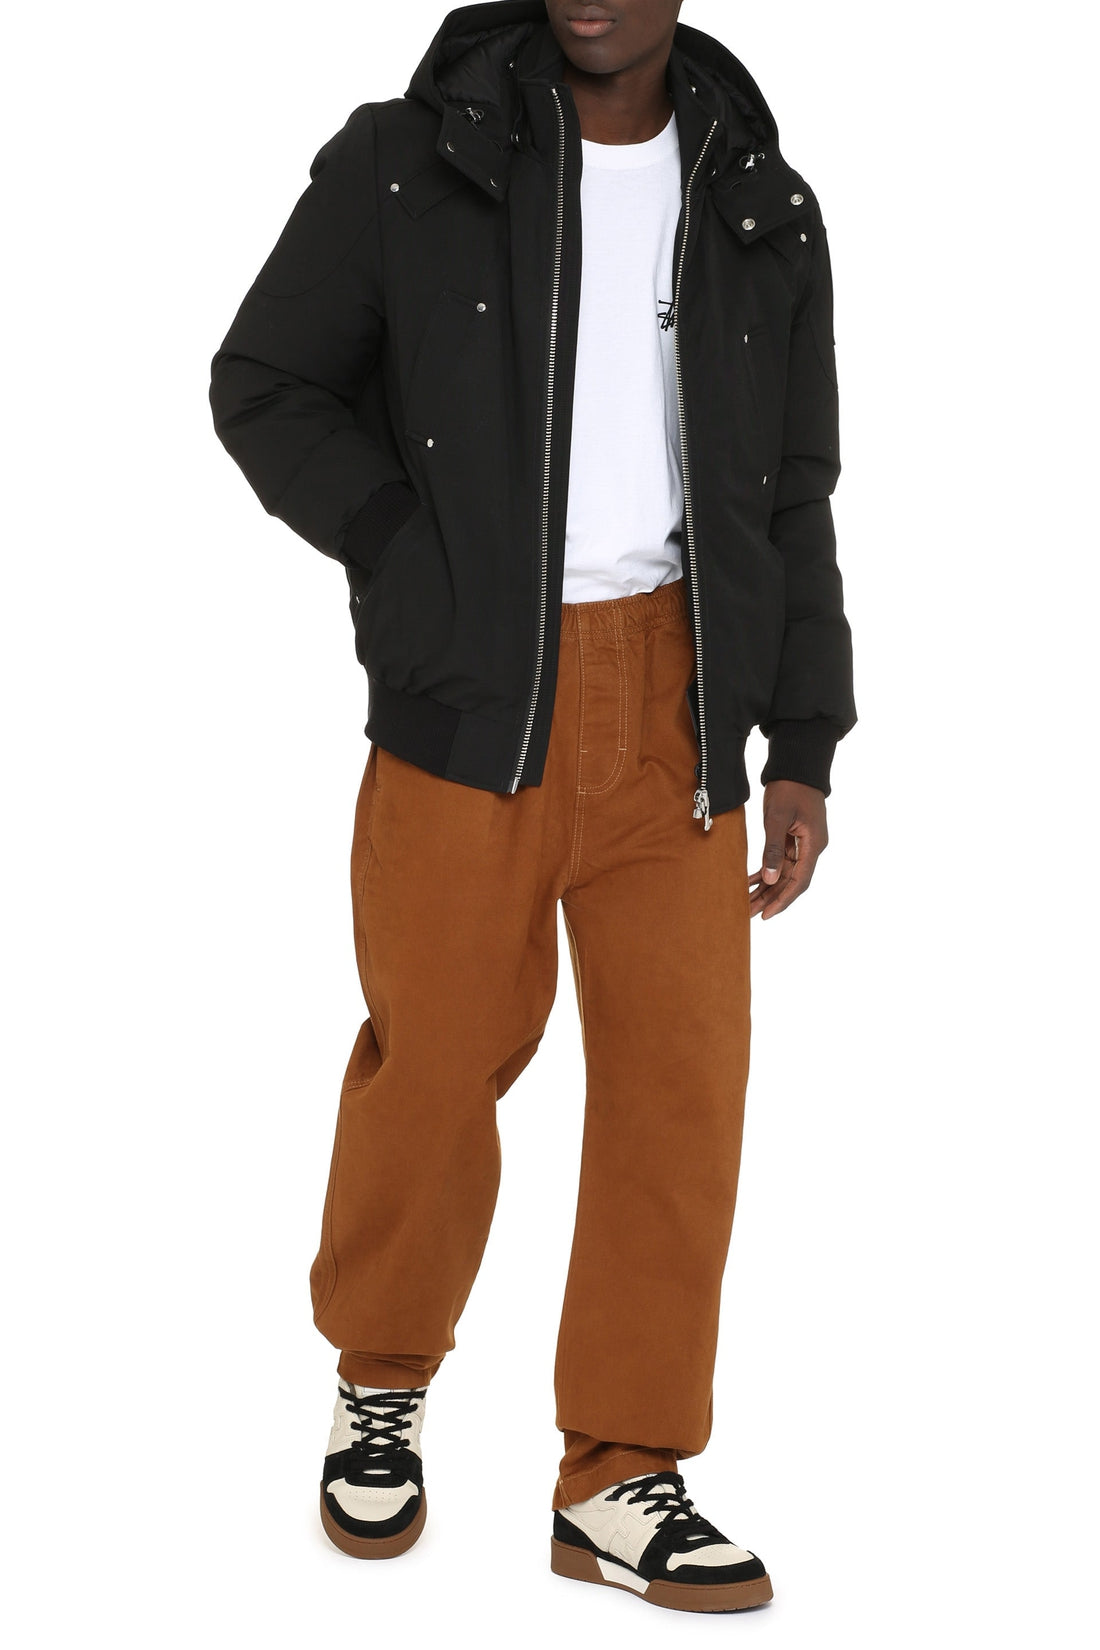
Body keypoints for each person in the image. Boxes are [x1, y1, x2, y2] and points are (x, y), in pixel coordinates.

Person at [209, 0, 854, 1615]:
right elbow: (265, 379)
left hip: (679, 701)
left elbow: (794, 490)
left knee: (681, 1094)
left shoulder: (760, 201)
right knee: (436, 1061)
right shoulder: (408, 162)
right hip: (472, 695)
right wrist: (401, 551)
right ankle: (382, 1373)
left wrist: (803, 738)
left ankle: (620, 1472)